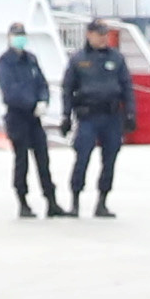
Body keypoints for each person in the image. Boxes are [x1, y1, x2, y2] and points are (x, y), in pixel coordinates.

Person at [56, 19, 137, 216]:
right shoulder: (78, 60)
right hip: (87, 117)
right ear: (89, 35)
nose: (103, 38)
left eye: (105, 34)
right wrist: (66, 116)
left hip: (111, 117)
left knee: (109, 160)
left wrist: (130, 113)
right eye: (99, 34)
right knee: (82, 158)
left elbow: (127, 87)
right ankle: (75, 201)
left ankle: (102, 202)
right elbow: (67, 89)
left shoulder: (116, 58)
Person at [0, 22, 60, 217]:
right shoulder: (4, 63)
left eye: (22, 34)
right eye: (16, 35)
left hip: (35, 119)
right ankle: (23, 202)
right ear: (9, 37)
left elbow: (42, 83)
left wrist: (44, 101)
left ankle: (51, 200)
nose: (20, 38)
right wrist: (32, 104)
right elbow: (10, 92)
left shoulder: (31, 60)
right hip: (17, 117)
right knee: (22, 161)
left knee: (43, 160)